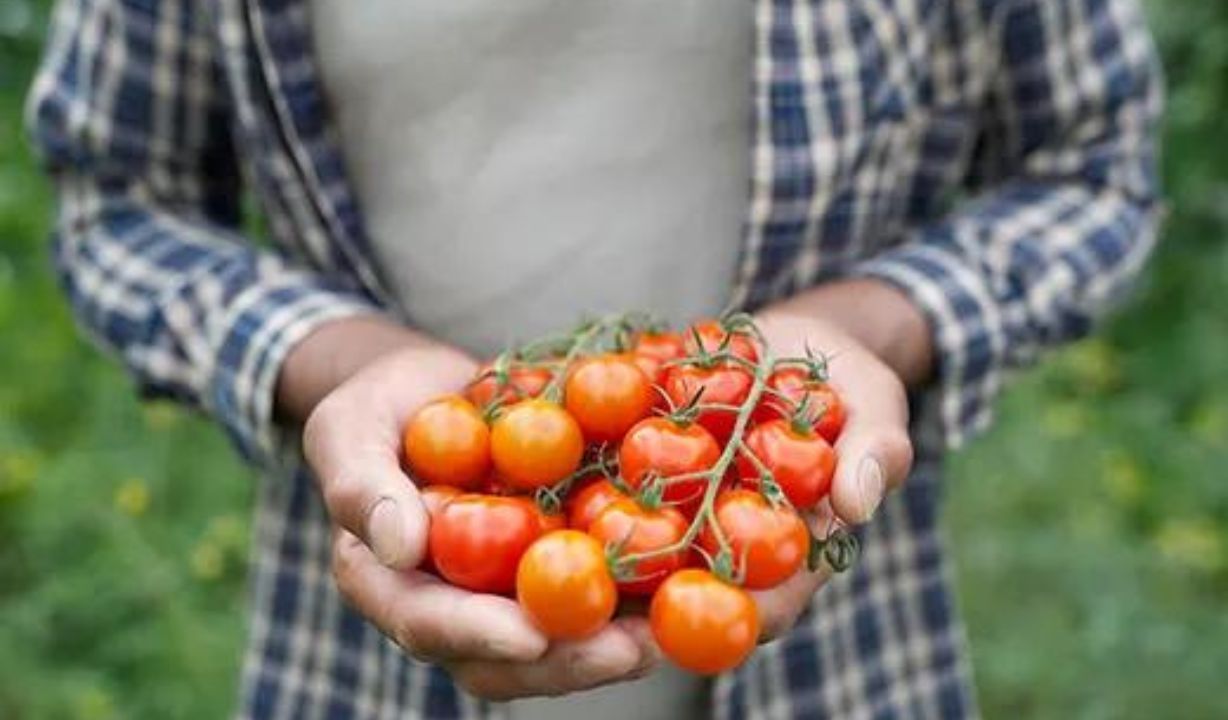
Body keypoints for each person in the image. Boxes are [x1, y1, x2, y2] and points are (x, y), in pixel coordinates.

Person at [27, 0, 1161, 717]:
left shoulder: (714, 459)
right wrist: (338, 360)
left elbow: (1093, 162)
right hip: (363, 648)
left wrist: (867, 325)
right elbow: (119, 198)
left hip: (848, 661)